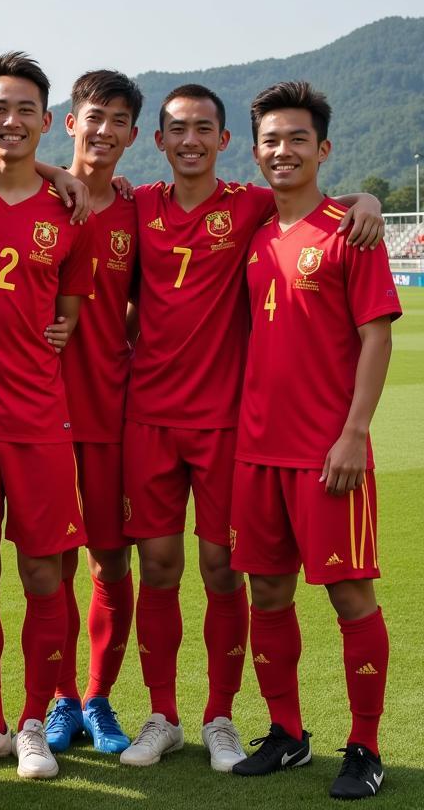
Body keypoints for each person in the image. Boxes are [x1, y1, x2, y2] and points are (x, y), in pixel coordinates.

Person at [119, 83, 385, 771]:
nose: (190, 140)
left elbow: (373, 329)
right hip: (220, 439)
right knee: (219, 578)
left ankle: (343, 743)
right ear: (159, 140)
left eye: (204, 128)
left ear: (224, 140)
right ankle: (224, 724)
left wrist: (369, 199)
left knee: (263, 580)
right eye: (177, 128)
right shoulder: (160, 208)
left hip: (280, 439)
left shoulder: (258, 208)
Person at [230, 81, 399, 800]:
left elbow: (375, 336)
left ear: (323, 149)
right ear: (257, 149)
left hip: (326, 453)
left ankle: (364, 746)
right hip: (256, 450)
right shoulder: (256, 230)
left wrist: (355, 432)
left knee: (350, 598)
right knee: (267, 593)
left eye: (297, 138)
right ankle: (288, 734)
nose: (283, 150)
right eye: (271, 139)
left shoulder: (350, 229)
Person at [0, 51, 94, 780]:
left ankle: (34, 721)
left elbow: (67, 313)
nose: (11, 120)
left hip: (37, 423)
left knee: (43, 577)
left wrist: (62, 176)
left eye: (25, 109)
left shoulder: (69, 214)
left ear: (46, 120)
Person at [43, 70, 141, 756]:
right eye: (91, 117)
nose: (102, 129)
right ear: (68, 122)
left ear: (135, 135)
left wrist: (363, 194)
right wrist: (49, 168)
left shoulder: (142, 210)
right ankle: (58, 701)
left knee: (110, 562)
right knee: (48, 567)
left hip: (110, 412)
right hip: (34, 414)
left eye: (117, 120)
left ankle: (99, 698)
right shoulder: (28, 192)